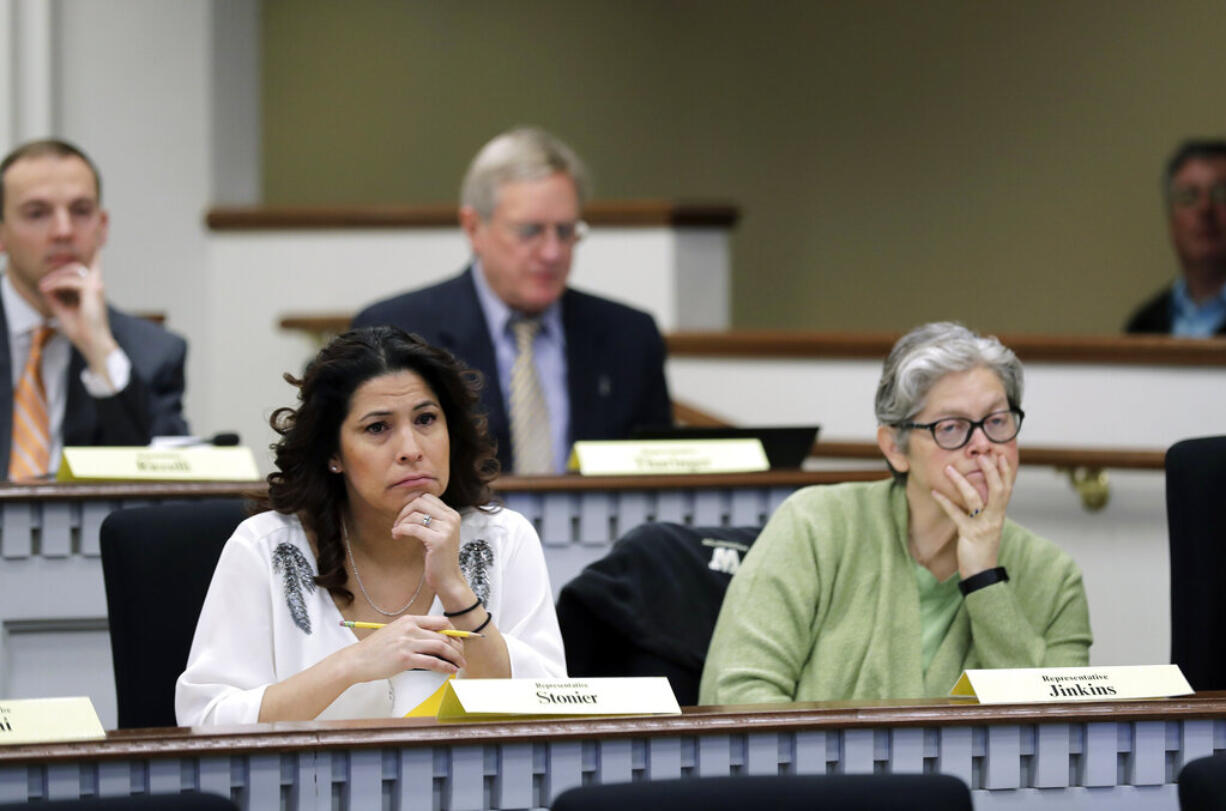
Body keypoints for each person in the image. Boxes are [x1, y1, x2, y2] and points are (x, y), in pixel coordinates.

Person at [176, 327, 565, 724]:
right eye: (378, 428)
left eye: (426, 419)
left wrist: (455, 592)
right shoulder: (264, 547)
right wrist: (353, 664)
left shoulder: (503, 540)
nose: (411, 450)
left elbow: (549, 709)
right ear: (333, 454)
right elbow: (206, 719)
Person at [699, 322, 1091, 704]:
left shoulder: (1055, 578)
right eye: (952, 427)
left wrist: (985, 578)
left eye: (996, 421)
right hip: (815, 772)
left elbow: (1057, 734)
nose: (982, 444)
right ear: (895, 449)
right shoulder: (814, 525)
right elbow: (737, 695)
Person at [352, 127, 672, 474]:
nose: (552, 253)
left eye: (565, 232)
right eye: (530, 231)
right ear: (474, 228)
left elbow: (657, 482)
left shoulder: (630, 336)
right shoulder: (398, 332)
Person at [0, 138, 188, 480]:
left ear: (102, 228)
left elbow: (169, 493)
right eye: (37, 213)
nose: (63, 231)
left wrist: (100, 349)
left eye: (81, 211)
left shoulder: (153, 353)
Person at [1126, 139, 1226, 335]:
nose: (1204, 208)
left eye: (1221, 194)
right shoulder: (1143, 326)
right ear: (1171, 219)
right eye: (1189, 196)